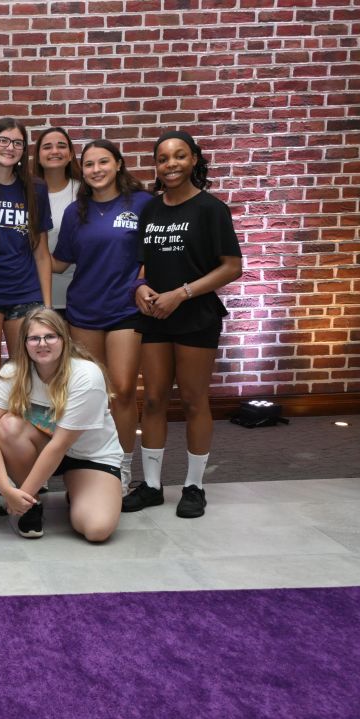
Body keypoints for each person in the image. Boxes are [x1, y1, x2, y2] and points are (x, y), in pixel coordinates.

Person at [127, 130, 244, 519]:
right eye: (163, 158)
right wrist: (141, 287)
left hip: (195, 315)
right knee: (155, 400)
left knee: (194, 401)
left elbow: (232, 266)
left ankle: (194, 486)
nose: (171, 164)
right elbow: (141, 263)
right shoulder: (150, 209)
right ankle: (153, 486)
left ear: (194, 159)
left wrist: (183, 292)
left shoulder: (211, 209)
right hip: (155, 316)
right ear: (156, 166)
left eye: (179, 156)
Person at [51, 139, 153, 493]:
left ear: (119, 164)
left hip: (125, 308)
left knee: (123, 390)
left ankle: (123, 466)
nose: (96, 170)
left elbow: (154, 254)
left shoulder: (142, 204)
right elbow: (60, 262)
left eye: (103, 162)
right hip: (84, 311)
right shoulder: (74, 212)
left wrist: (145, 282)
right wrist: (22, 250)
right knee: (93, 393)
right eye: (89, 164)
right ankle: (97, 464)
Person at [0, 308, 123, 541]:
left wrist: (18, 498)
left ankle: (77, 492)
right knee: (8, 426)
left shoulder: (86, 375)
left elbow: (59, 445)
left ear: (64, 339)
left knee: (96, 530)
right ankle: (32, 504)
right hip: (42, 447)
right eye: (34, 338)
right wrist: (6, 488)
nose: (42, 344)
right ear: (24, 343)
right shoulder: (12, 373)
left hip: (89, 456)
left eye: (50, 336)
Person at [0, 117, 54, 394]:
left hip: (24, 292)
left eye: (17, 142)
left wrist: (47, 307)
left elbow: (41, 252)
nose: (10, 147)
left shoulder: (35, 188)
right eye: (4, 140)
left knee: (25, 373)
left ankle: (20, 435)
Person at [32, 126, 82, 311]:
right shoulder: (26, 193)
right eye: (47, 147)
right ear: (37, 156)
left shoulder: (84, 193)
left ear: (70, 155)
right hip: (32, 295)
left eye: (61, 146)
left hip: (76, 295)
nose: (54, 151)